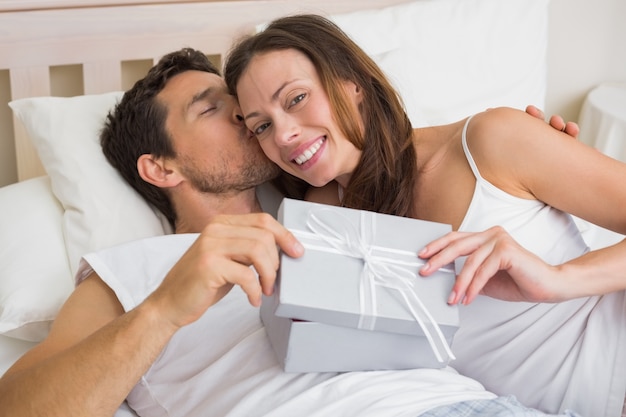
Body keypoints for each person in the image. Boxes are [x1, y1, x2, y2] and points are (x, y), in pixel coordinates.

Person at [0, 48, 581, 417]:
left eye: (245, 111)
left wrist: (549, 173)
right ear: (162, 167)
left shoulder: (343, 215)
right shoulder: (133, 269)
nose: (245, 119)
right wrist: (163, 310)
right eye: (211, 110)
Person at [223, 14, 626, 417]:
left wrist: (555, 280)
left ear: (352, 81)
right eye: (262, 127)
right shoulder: (322, 216)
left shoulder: (490, 141)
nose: (283, 135)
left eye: (296, 99)